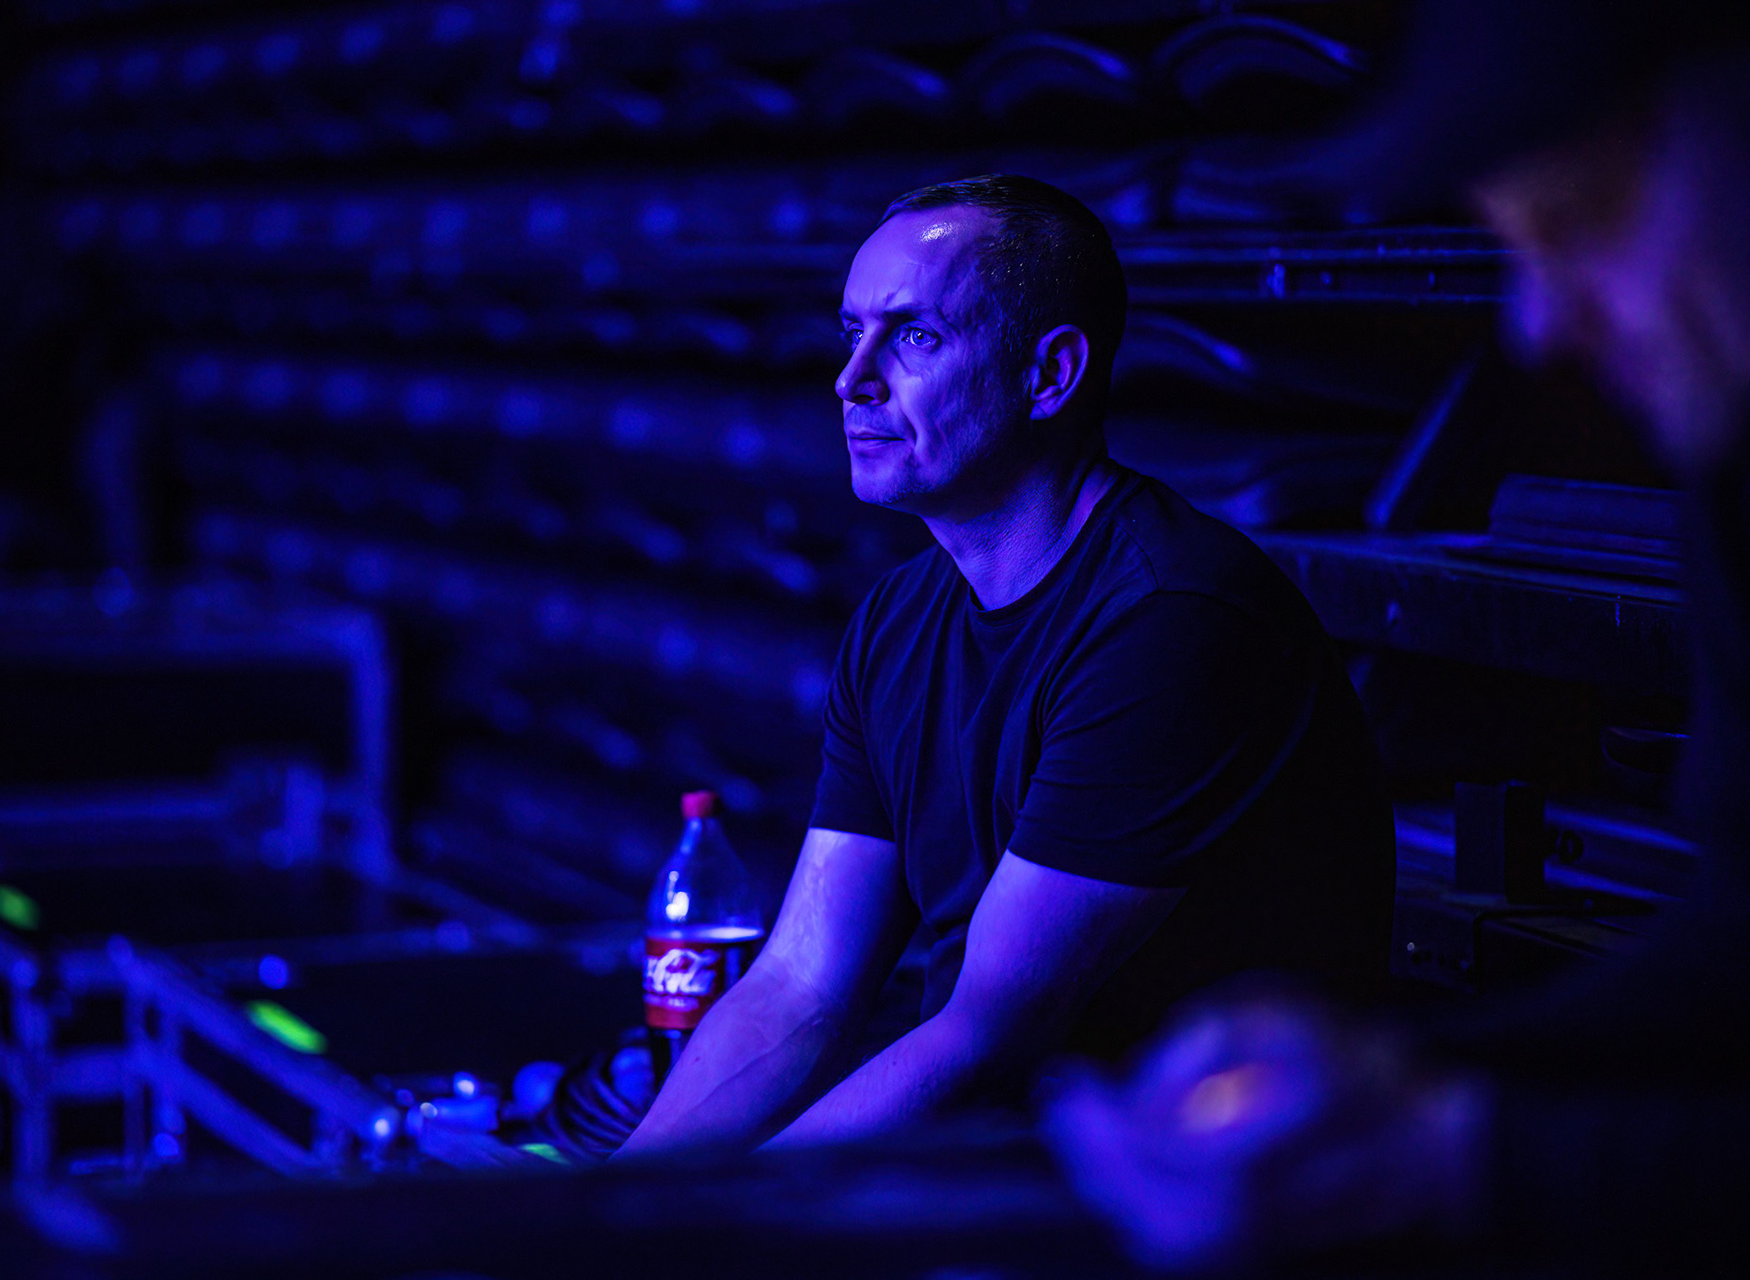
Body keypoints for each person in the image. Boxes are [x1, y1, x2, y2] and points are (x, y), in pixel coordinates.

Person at [1044, 3, 1750, 1271]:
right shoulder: (1734, 483)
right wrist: (1385, 1074)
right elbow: (1737, 953)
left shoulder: (1167, 607)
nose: (1538, 323)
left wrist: (1464, 1152)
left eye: (1583, 218)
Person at [617, 175, 1395, 1157]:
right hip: (1004, 1161)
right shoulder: (898, 619)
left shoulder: (1170, 619)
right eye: (851, 332)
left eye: (913, 337)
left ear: (1050, 374)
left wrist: (716, 1218)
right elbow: (801, 985)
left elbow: (987, 1034)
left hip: (1184, 1190)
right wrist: (621, 1199)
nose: (851, 380)